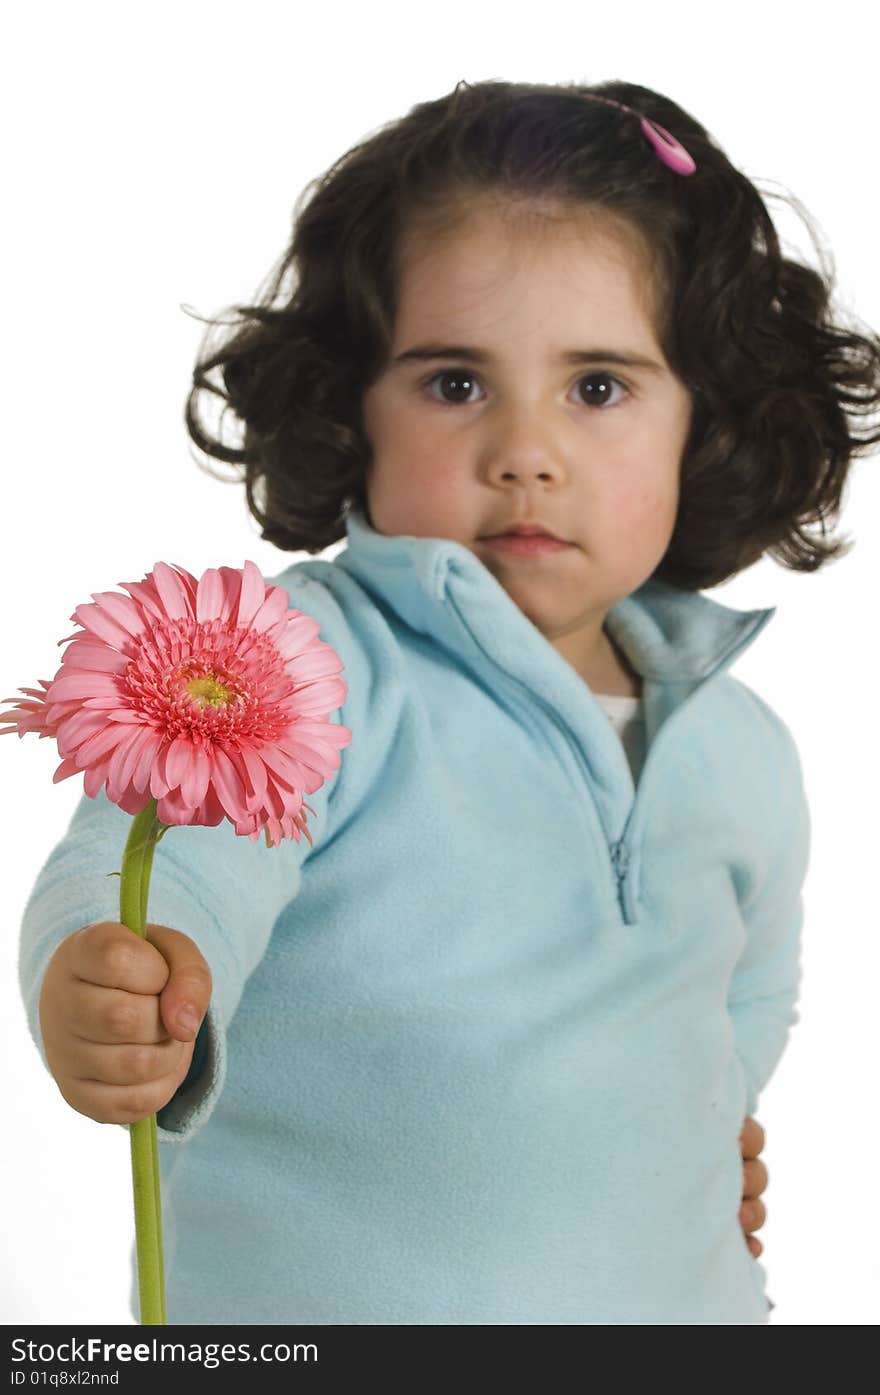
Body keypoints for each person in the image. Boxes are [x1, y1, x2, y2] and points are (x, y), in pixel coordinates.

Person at [20, 79, 880, 1325]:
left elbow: (751, 990)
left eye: (597, 387)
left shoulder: (743, 746)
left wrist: (687, 1128)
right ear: (350, 406)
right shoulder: (306, 659)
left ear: (706, 424)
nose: (523, 449)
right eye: (455, 383)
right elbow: (165, 860)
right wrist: (118, 974)